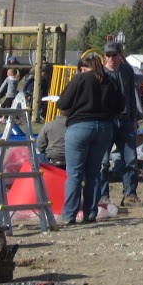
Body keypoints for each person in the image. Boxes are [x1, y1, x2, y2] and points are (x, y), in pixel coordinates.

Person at [55, 52, 123, 225]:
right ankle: (90, 214)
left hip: (80, 127)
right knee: (94, 173)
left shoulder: (80, 79)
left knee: (75, 174)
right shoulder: (111, 81)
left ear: (85, 68)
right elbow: (121, 106)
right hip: (104, 128)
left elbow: (62, 103)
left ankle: (69, 215)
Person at [100, 41, 143, 206]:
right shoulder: (100, 73)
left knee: (131, 159)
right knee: (103, 161)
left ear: (120, 56)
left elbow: (131, 95)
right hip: (107, 121)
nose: (111, 58)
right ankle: (102, 196)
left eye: (114, 55)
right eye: (108, 55)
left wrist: (134, 119)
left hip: (126, 120)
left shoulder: (127, 71)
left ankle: (130, 195)